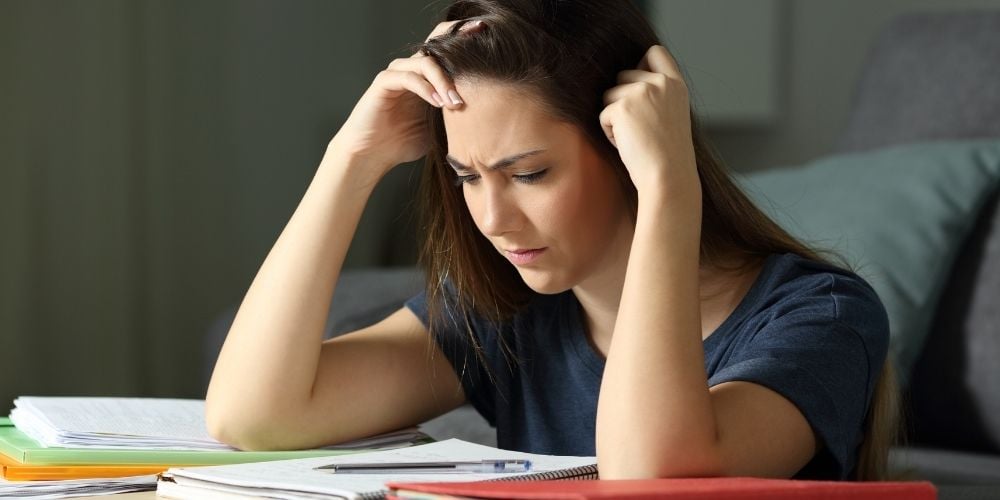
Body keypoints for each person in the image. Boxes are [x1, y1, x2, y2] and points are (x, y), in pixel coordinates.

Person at [205, 0, 899, 481]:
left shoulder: (824, 317)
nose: (493, 219)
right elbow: (253, 415)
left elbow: (651, 477)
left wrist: (669, 191)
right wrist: (350, 160)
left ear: (628, 147)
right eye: (466, 176)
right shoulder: (506, 315)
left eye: (529, 173)